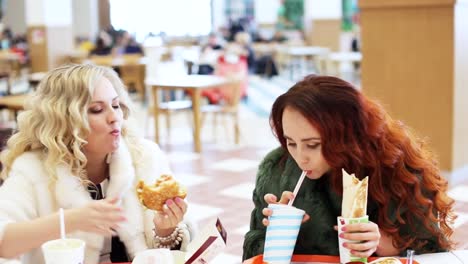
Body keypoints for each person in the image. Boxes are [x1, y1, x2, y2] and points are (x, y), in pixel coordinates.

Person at [242, 75, 456, 260]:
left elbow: (433, 251)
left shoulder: (395, 168)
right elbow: (253, 249)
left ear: (347, 136)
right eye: (291, 142)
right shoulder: (277, 170)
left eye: (313, 145)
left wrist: (384, 244)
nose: (300, 158)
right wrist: (277, 236)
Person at [0, 64, 195, 263]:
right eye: (97, 109)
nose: (114, 118)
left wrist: (165, 230)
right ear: (64, 121)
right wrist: (69, 220)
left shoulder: (144, 156)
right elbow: (2, 242)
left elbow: (162, 253)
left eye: (116, 105)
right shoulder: (34, 170)